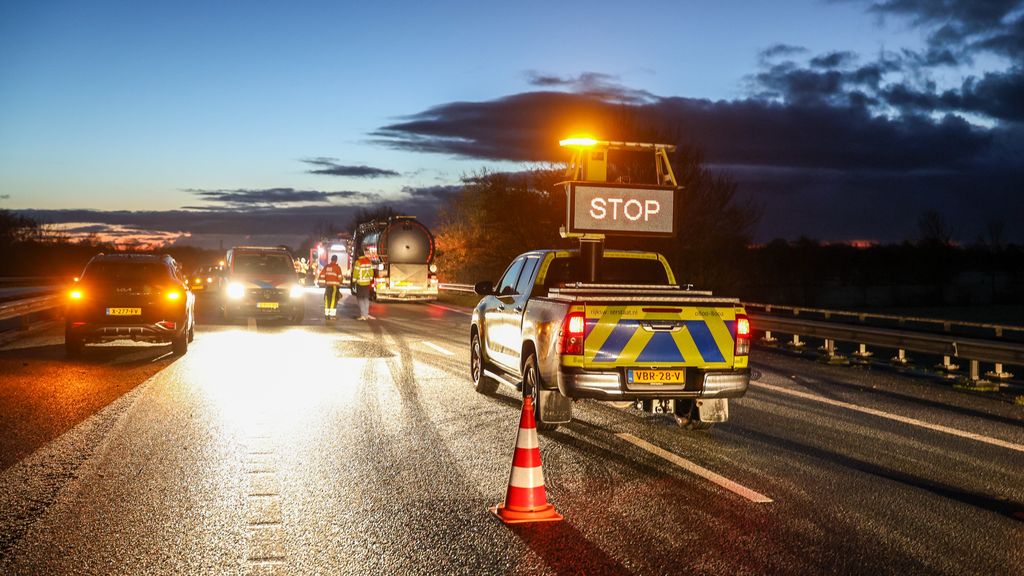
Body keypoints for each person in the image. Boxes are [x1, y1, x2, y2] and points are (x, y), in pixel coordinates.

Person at [317, 255, 343, 320]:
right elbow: (340, 278)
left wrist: (326, 279)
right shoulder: (337, 267)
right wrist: (341, 281)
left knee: (327, 299)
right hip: (334, 286)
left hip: (328, 286)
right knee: (333, 300)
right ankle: (332, 316)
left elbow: (321, 276)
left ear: (331, 259)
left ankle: (327, 315)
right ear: (336, 260)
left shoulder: (326, 267)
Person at [353, 250, 375, 320]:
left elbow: (356, 272)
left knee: (360, 299)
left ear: (358, 255)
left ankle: (363, 315)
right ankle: (366, 314)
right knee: (366, 299)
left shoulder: (358, 262)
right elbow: (371, 271)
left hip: (360, 283)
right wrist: (370, 278)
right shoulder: (368, 261)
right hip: (367, 283)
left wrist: (354, 280)